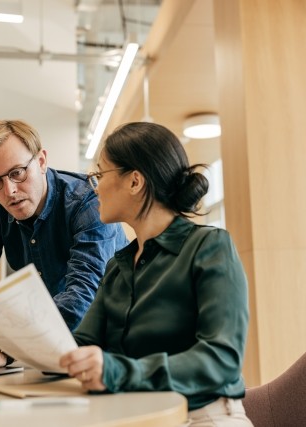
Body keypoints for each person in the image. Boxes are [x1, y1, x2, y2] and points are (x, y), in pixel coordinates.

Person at [59, 122, 253, 426]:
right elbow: (81, 343)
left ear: (135, 181)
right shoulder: (119, 264)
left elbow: (222, 360)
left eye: (100, 174)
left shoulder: (209, 248)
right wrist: (3, 349)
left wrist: (117, 372)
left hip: (201, 416)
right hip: (133, 416)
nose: (94, 186)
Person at [0, 119, 128, 373]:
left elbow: (82, 293)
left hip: (116, 343)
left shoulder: (88, 202)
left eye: (17, 173)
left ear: (42, 161)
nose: (10, 191)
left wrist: (3, 349)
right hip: (48, 345)